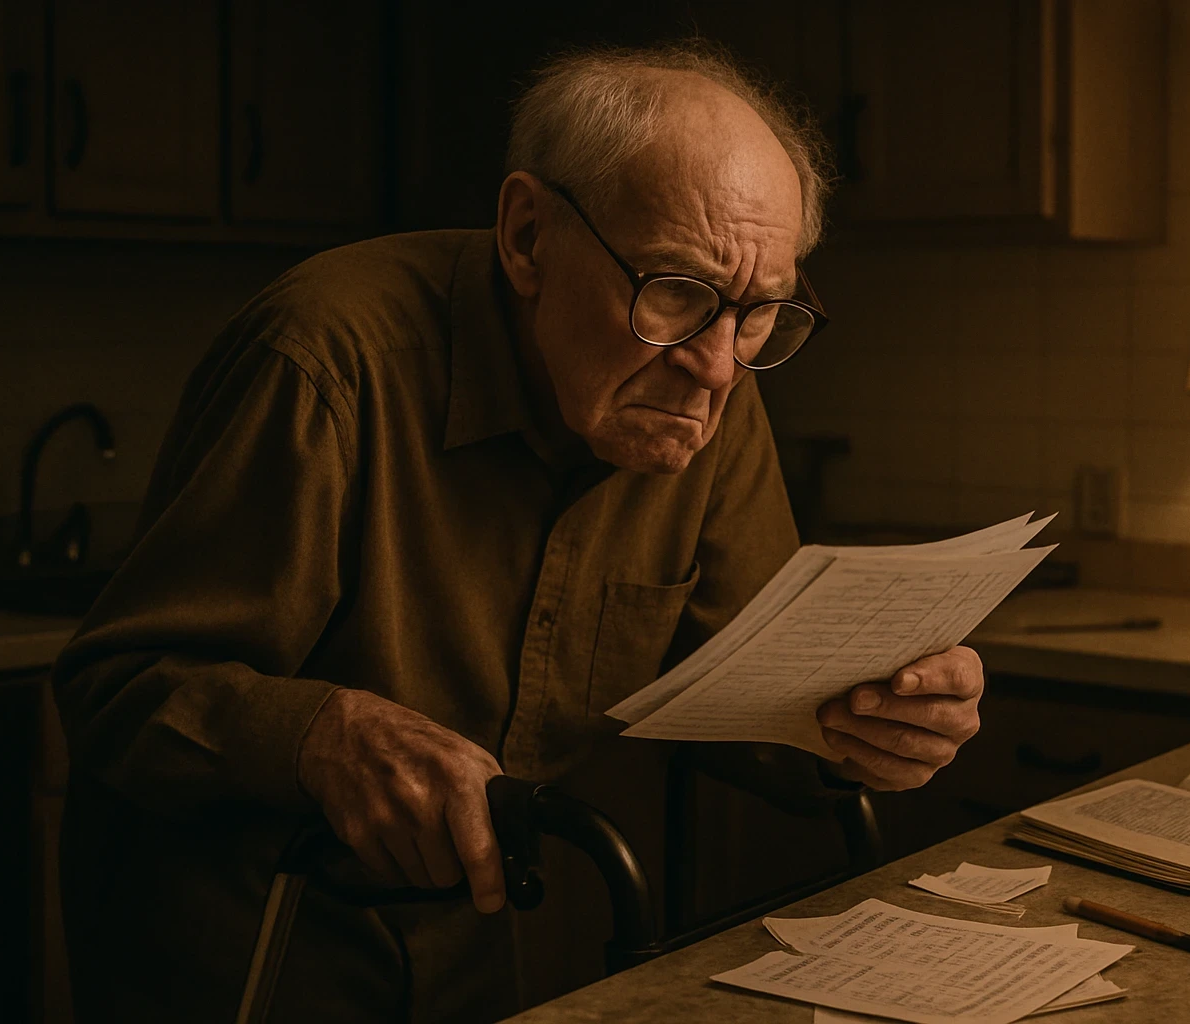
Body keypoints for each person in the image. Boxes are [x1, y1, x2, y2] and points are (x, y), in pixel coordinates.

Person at [52, 43, 985, 1022]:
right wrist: (320, 734)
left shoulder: (712, 394)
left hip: (475, 938)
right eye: (675, 289)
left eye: (759, 313)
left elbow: (755, 694)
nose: (716, 365)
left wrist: (871, 721)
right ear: (529, 235)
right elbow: (113, 689)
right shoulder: (325, 361)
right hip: (250, 948)